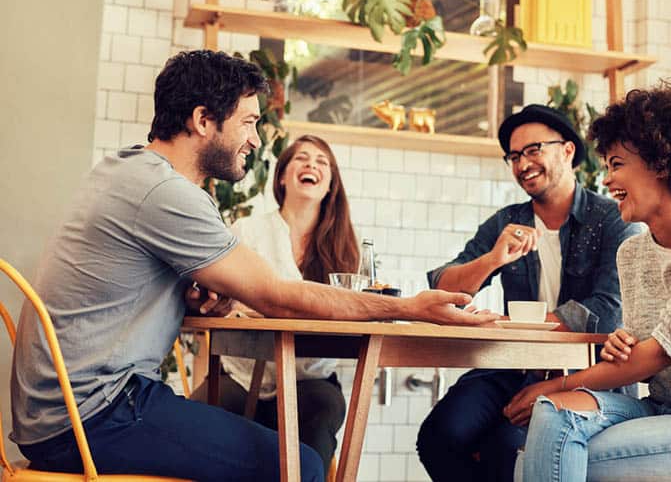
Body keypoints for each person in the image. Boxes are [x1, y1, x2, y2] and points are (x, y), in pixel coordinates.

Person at [9, 50, 498, 482]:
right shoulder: (166, 193)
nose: (256, 140)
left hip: (60, 410)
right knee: (301, 468)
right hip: (93, 415)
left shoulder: (128, 171)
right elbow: (275, 294)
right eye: (247, 122)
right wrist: (410, 307)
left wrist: (192, 294)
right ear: (203, 120)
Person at [511, 83, 671, 481]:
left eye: (616, 164)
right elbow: (643, 359)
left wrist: (557, 383)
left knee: (550, 454)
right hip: (660, 408)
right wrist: (622, 344)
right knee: (553, 415)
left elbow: (654, 357)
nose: (607, 179)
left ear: (660, 163)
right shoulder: (632, 252)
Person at [417, 104, 640, 481]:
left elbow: (609, 310)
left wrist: (524, 326)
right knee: (439, 436)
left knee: (505, 449)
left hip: (589, 373)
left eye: (534, 150)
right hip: (512, 365)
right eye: (515, 156)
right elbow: (442, 286)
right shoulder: (508, 221)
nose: (523, 164)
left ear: (568, 151)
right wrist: (491, 259)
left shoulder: (613, 220)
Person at [190, 134, 356, 478]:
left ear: (330, 185)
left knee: (324, 410)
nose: (312, 165)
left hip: (311, 379)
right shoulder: (246, 231)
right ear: (282, 176)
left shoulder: (345, 249)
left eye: (322, 162)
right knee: (196, 417)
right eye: (302, 158)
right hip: (241, 373)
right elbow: (219, 304)